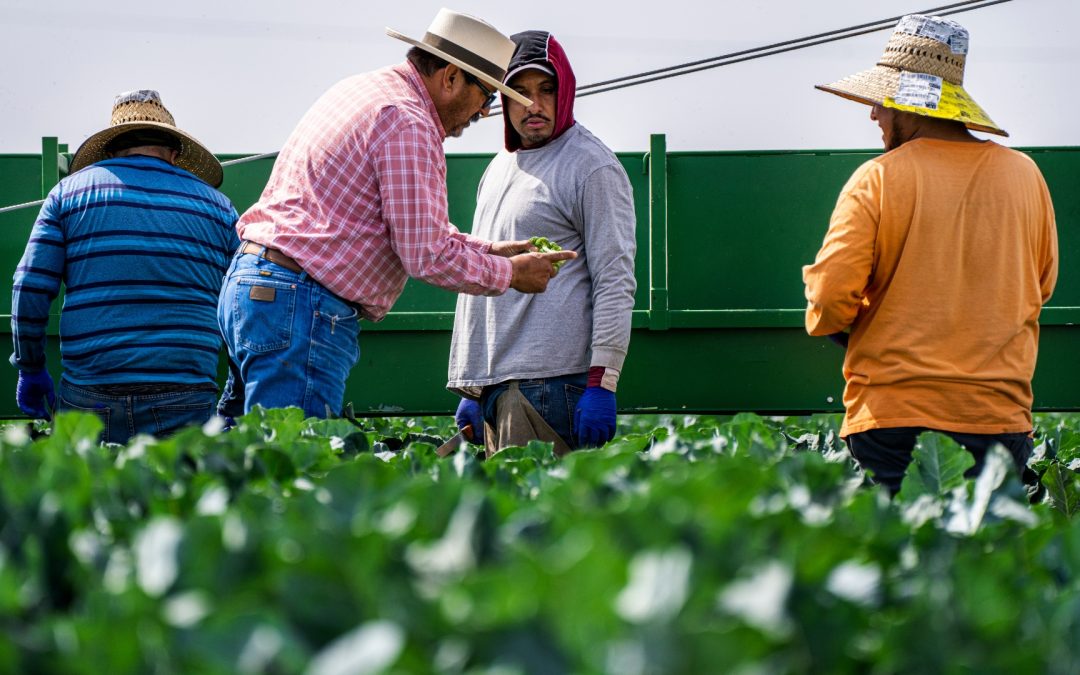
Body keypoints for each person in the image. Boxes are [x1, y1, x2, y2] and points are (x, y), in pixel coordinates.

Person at [217, 9, 575, 419]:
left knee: (243, 461)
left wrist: (493, 250)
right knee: (292, 465)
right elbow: (426, 255)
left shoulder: (364, 89)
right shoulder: (409, 122)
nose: (484, 112)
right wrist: (511, 274)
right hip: (301, 305)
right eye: (486, 94)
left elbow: (419, 231)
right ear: (451, 77)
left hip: (256, 287)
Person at [803, 15, 1058, 494]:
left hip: (892, 422)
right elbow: (1040, 287)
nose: (873, 115)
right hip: (998, 421)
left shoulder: (876, 179)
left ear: (909, 106)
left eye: (881, 103)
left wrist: (854, 326)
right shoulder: (1026, 176)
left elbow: (831, 298)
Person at [447, 30, 637, 457]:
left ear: (565, 90)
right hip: (500, 388)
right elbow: (481, 284)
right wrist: (475, 386)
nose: (533, 104)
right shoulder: (498, 168)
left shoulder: (591, 165)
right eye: (519, 90)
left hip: (551, 386)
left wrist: (601, 382)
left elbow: (615, 279)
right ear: (502, 97)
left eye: (546, 89)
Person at [11, 90, 240, 444]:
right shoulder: (219, 208)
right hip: (186, 393)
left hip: (90, 392)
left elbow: (29, 287)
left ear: (113, 150)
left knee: (89, 497)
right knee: (182, 497)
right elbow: (241, 307)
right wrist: (235, 387)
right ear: (175, 153)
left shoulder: (67, 195)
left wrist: (31, 368)